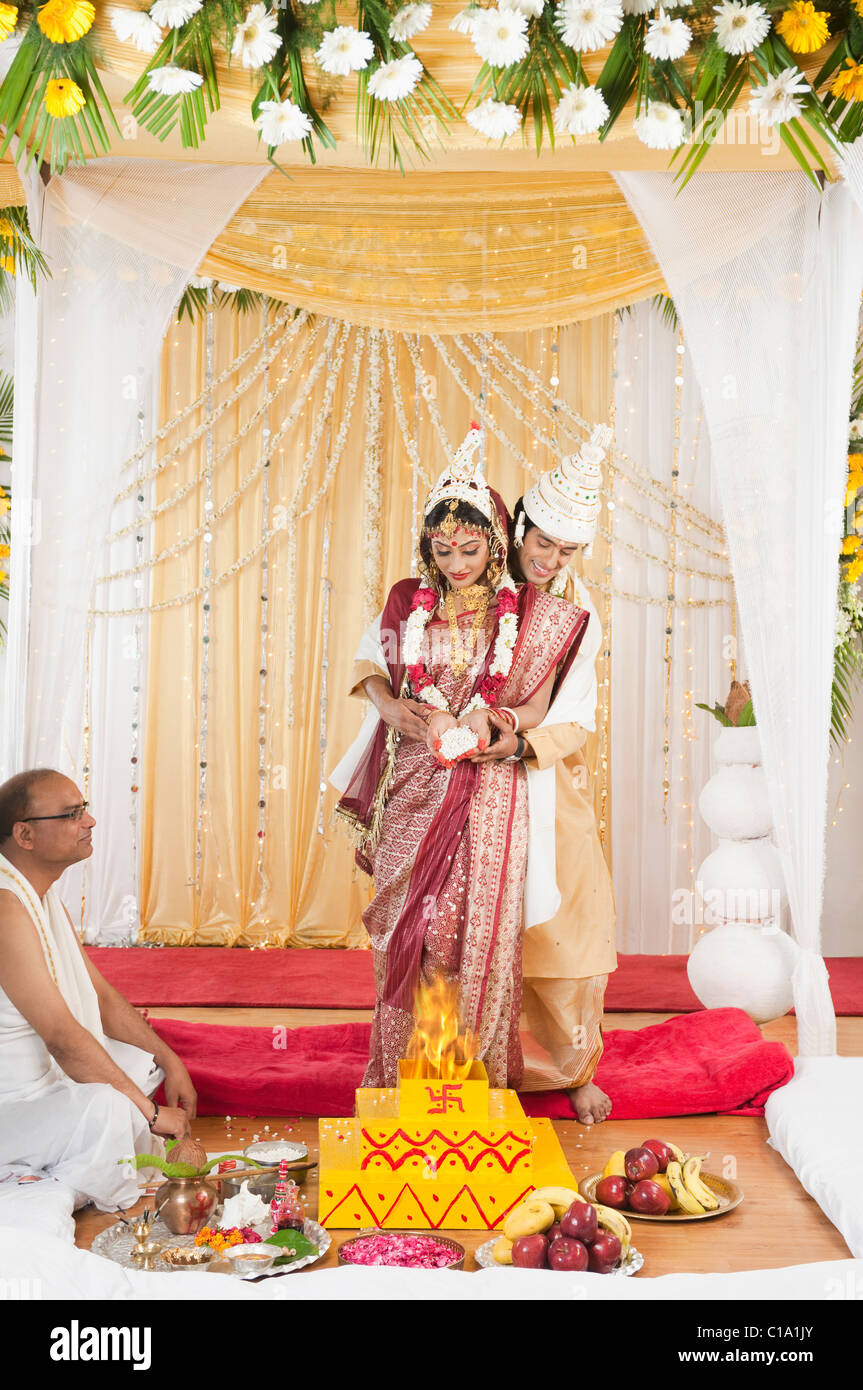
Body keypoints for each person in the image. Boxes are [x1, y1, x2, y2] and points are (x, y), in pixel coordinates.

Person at [332, 426, 590, 1089]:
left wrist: (489, 721)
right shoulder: (405, 601)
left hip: (492, 791)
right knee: (401, 930)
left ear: (495, 544)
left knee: (468, 935)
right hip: (409, 778)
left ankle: (469, 1084)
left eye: (471, 549)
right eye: (440, 549)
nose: (455, 562)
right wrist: (390, 707)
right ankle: (398, 1078)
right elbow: (370, 663)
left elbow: (541, 708)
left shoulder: (533, 615)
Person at [0, 767, 196, 1210]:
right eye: (71, 814)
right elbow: (63, 1040)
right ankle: (32, 1175)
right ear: (25, 836)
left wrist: (169, 1058)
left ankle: (70, 1148)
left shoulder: (40, 894)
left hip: (44, 1089)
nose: (89, 822)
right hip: (10, 1107)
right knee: (113, 1107)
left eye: (84, 809)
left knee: (138, 1063)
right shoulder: (6, 908)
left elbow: (102, 997)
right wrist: (150, 1113)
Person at [502, 425, 618, 1124]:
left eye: (565, 548)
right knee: (468, 933)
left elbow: (576, 716)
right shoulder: (470, 589)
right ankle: (479, 1069)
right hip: (462, 778)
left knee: (565, 926)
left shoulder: (579, 617)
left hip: (539, 776)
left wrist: (519, 746)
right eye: (540, 541)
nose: (548, 558)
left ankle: (572, 1068)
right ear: (519, 526)